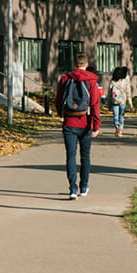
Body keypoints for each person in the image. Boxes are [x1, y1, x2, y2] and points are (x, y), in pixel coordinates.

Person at [55, 52, 101, 199]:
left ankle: (72, 189)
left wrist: (61, 114)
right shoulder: (92, 80)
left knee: (70, 156)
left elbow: (58, 99)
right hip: (86, 122)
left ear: (74, 64)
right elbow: (95, 103)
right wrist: (96, 125)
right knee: (85, 157)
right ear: (86, 64)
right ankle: (84, 187)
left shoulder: (65, 78)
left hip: (69, 122)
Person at [107, 66, 132, 138]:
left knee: (115, 116)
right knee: (121, 116)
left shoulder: (112, 82)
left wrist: (108, 103)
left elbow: (109, 93)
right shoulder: (124, 81)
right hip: (122, 101)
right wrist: (130, 104)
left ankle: (116, 127)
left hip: (114, 101)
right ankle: (120, 130)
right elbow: (128, 92)